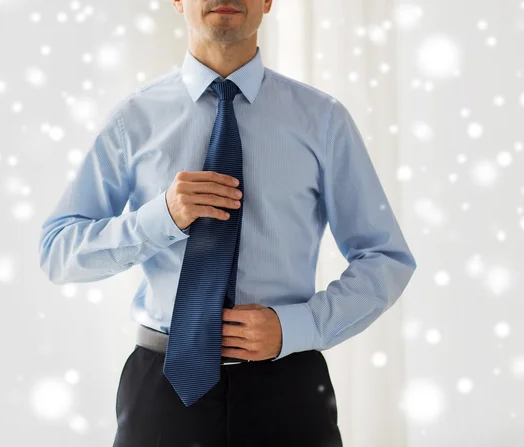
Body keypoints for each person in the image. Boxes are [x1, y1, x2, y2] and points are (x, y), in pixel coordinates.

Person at [38, 0, 417, 445]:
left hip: (289, 389)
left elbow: (385, 258)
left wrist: (298, 326)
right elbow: (58, 252)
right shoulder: (133, 121)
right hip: (163, 394)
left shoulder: (323, 120)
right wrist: (159, 218)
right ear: (177, 1)